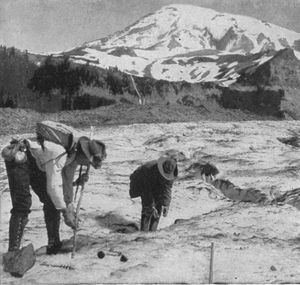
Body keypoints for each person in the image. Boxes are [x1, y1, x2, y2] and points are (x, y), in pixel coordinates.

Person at [1, 135, 106, 258]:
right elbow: (53, 187)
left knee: (52, 202)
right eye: (89, 162)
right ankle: (12, 253)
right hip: (19, 157)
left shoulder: (73, 156)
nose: (88, 165)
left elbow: (65, 183)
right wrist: (65, 212)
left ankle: (54, 244)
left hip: (37, 163)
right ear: (84, 154)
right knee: (22, 203)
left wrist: (70, 206)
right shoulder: (60, 153)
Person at [129, 156, 178, 232]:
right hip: (141, 182)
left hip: (155, 183)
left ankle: (152, 232)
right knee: (148, 209)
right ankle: (143, 233)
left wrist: (166, 205)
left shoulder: (171, 171)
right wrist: (150, 205)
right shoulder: (147, 170)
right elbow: (146, 191)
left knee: (158, 208)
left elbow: (167, 189)